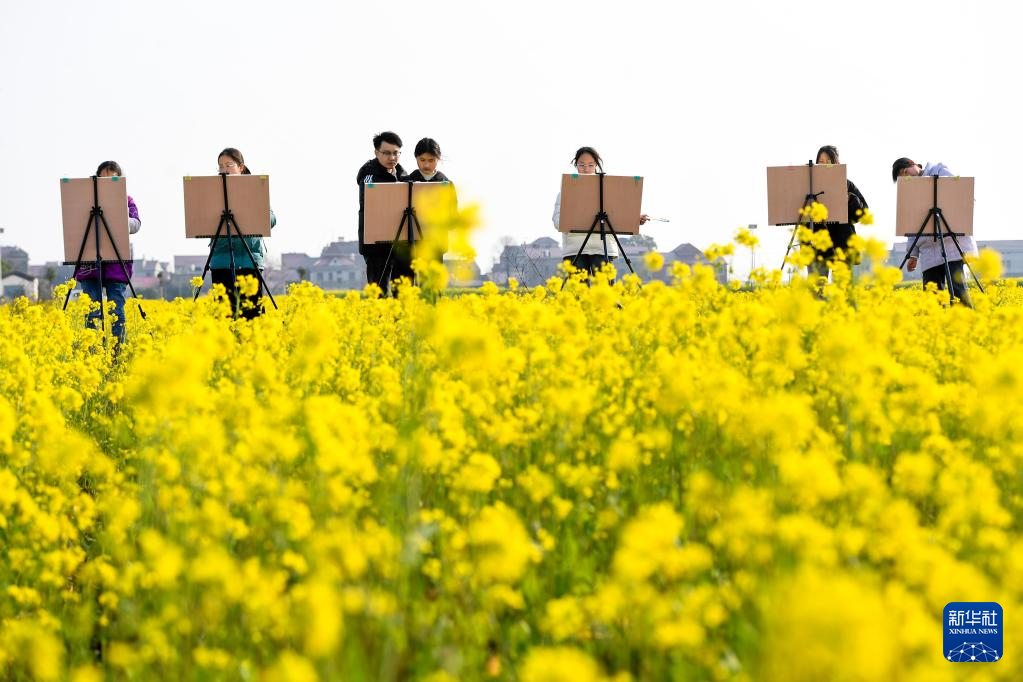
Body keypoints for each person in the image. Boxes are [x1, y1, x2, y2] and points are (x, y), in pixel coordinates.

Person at [892, 157, 977, 307]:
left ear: (913, 163)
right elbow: (912, 225)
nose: (907, 176)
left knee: (958, 291)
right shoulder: (910, 193)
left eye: (906, 171)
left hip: (951, 245)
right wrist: (913, 254)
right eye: (903, 177)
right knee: (932, 299)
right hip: (928, 251)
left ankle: (966, 320)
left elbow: (962, 195)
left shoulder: (938, 171)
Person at [552, 146, 649, 277]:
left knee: (605, 288)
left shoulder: (610, 190)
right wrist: (572, 218)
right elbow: (557, 221)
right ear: (576, 165)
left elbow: (618, 214)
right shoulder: (565, 192)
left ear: (596, 166)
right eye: (581, 165)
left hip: (603, 248)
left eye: (591, 165)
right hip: (575, 249)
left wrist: (634, 218)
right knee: (577, 289)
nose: (586, 169)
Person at [77, 160, 140, 343]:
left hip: (117, 264)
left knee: (117, 311)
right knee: (91, 311)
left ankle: (117, 351)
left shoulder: (127, 200)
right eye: (102, 179)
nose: (107, 183)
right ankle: (92, 350)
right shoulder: (86, 201)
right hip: (90, 263)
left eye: (112, 179)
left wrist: (117, 215)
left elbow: (136, 224)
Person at [210, 147, 277, 319]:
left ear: (240, 167)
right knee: (224, 319)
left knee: (252, 317)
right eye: (220, 166)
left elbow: (271, 219)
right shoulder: (210, 191)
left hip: (250, 261)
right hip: (221, 262)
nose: (224, 170)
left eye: (228, 165)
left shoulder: (255, 189)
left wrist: (254, 212)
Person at [357, 131, 411, 292]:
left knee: (404, 292)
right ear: (376, 152)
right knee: (379, 293)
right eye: (387, 153)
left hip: (401, 243)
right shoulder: (369, 175)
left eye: (396, 153)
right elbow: (368, 198)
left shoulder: (403, 174)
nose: (392, 157)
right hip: (376, 245)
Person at [811, 145, 868, 278]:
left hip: (842, 244)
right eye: (820, 162)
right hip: (818, 245)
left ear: (837, 163)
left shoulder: (847, 184)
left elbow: (863, 213)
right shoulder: (809, 185)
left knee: (842, 288)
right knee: (817, 288)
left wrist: (850, 199)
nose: (823, 165)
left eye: (828, 162)